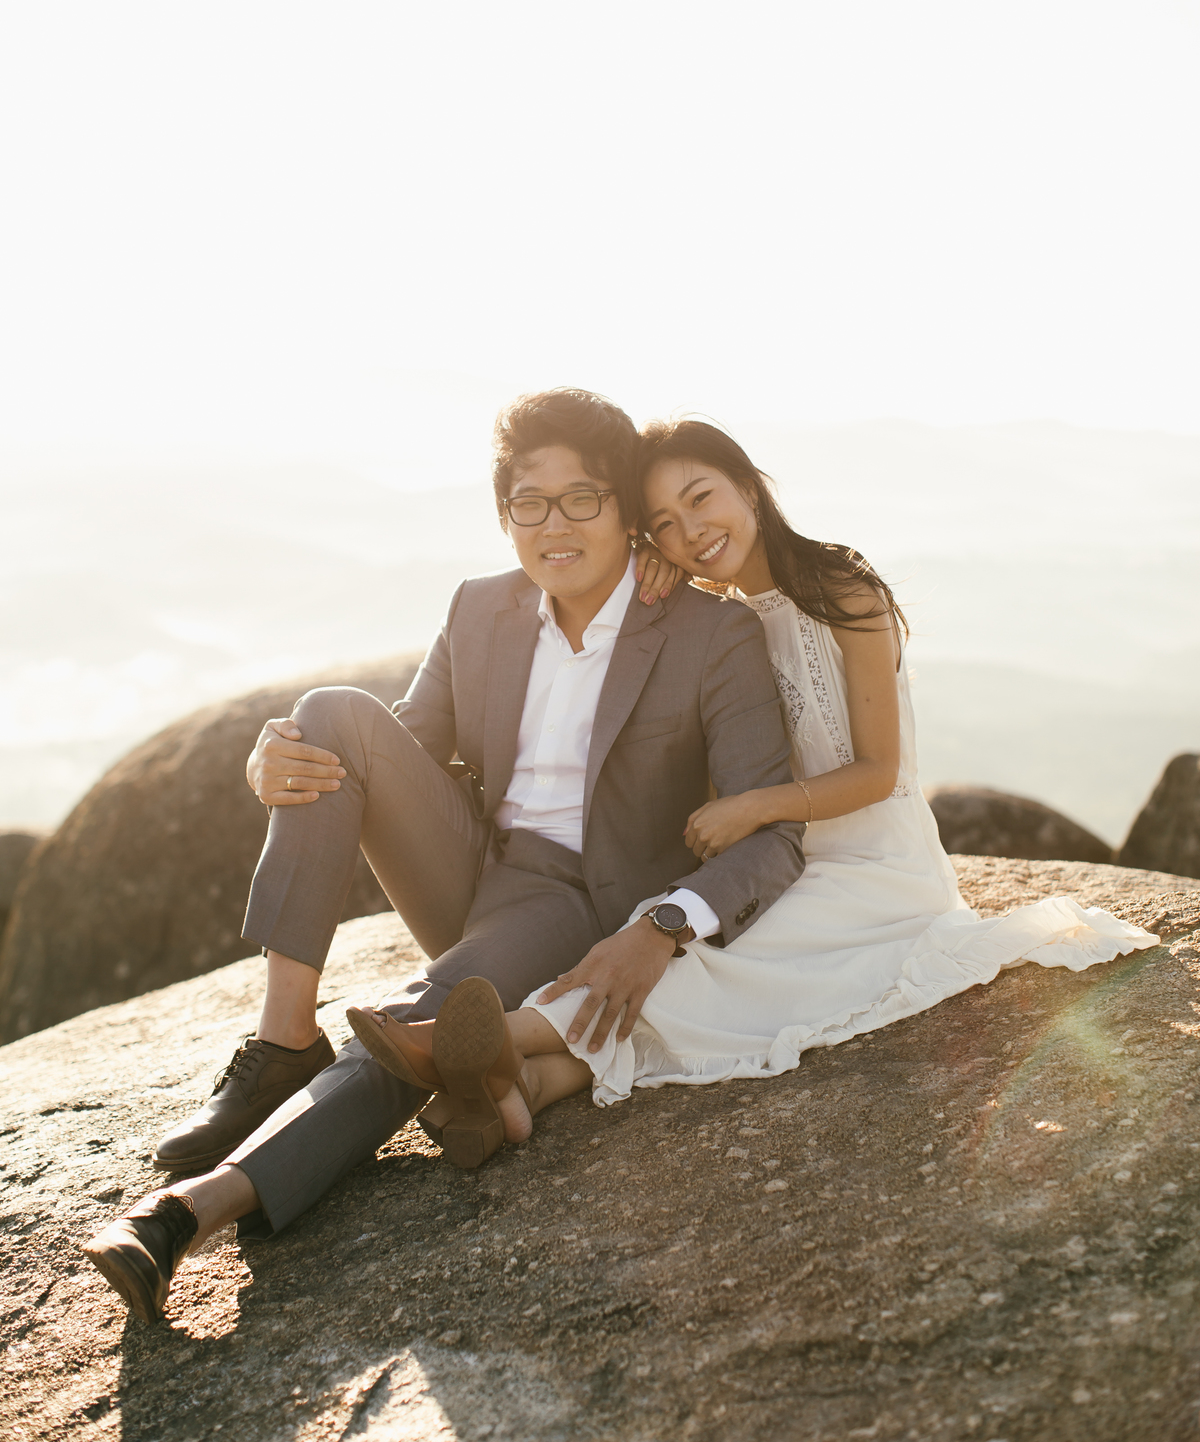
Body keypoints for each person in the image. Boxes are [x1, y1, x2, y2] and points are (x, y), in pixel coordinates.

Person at [82, 389, 807, 1323]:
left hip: (580, 902)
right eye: (528, 502)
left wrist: (665, 925)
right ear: (504, 513)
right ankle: (283, 1041)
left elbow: (775, 837)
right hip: (478, 866)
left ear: (626, 511)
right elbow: (397, 748)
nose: (555, 524)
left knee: (428, 1016)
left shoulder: (713, 633)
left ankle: (193, 1209)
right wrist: (276, 759)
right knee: (331, 712)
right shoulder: (479, 609)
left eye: (582, 498)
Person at [359, 417, 1157, 1135]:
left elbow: (881, 772)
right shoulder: (706, 615)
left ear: (749, 485)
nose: (693, 531)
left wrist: (758, 808)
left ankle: (492, 1039)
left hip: (873, 867)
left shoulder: (845, 589)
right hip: (779, 863)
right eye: (665, 525)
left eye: (702, 499)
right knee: (684, 957)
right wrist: (646, 567)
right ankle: (525, 1092)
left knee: (698, 966)